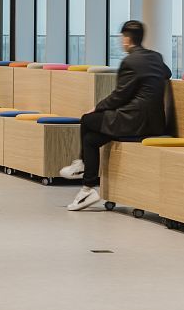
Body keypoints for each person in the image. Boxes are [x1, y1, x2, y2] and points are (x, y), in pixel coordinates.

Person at [60, 20, 171, 211]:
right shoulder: (156, 57)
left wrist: (97, 108)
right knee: (91, 140)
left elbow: (120, 96)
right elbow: (166, 73)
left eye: (122, 38)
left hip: (133, 121)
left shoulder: (129, 62)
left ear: (127, 39)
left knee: (87, 119)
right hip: (155, 123)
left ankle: (82, 165)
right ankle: (87, 189)